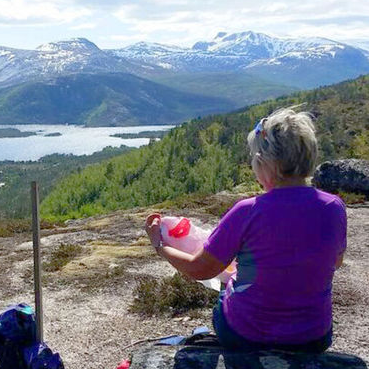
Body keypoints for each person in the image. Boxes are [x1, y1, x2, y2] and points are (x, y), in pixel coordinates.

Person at [145, 108, 347, 352]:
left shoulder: (248, 211)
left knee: (227, 293)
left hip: (248, 334)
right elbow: (333, 263)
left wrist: (160, 245)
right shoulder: (334, 207)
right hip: (313, 337)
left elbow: (200, 270)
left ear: (265, 162)